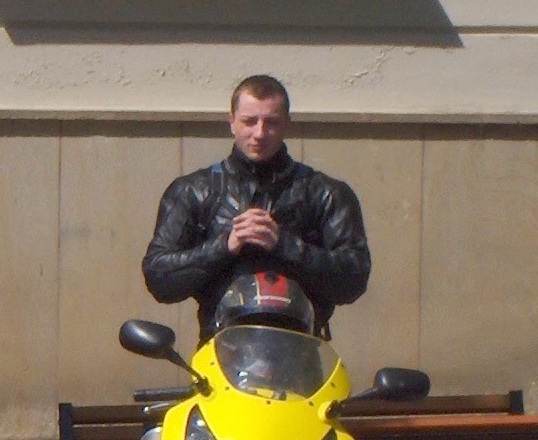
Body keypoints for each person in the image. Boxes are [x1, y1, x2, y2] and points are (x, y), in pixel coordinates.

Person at [142, 75, 371, 340]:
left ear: (286, 124)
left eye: (271, 122)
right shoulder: (193, 190)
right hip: (220, 349)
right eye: (249, 121)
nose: (260, 133)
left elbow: (354, 279)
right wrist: (225, 246)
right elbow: (159, 277)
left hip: (303, 349)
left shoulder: (326, 192)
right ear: (232, 122)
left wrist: (285, 245)